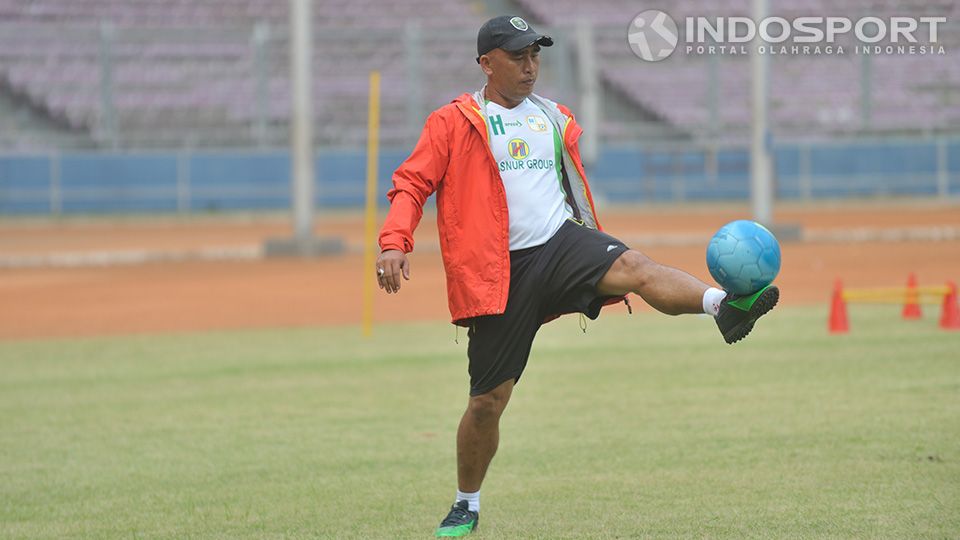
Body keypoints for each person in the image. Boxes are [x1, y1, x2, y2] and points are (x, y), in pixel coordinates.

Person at [375, 15, 779, 538]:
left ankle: (724, 307)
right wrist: (393, 241)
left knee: (634, 267)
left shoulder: (552, 117)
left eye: (535, 54)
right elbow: (411, 183)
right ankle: (465, 504)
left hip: (562, 244)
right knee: (486, 403)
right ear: (485, 63)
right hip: (500, 270)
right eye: (518, 55)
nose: (530, 65)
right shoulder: (454, 121)